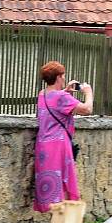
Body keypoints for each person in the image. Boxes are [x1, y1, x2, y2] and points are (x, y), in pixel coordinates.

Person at [34, 61, 93, 212]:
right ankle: (64, 222)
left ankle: (56, 220)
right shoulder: (62, 98)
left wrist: (65, 91)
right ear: (59, 77)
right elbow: (87, 109)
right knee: (64, 182)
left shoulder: (42, 95)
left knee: (52, 182)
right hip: (59, 145)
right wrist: (88, 92)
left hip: (43, 146)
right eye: (63, 75)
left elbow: (55, 103)